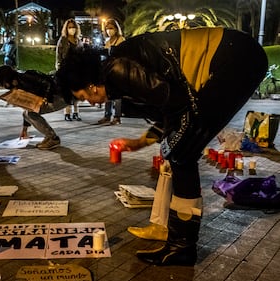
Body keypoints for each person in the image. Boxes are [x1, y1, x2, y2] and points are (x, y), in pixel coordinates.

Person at [56, 27, 268, 266]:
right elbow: (167, 111)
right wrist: (140, 143)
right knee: (179, 152)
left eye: (84, 96)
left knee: (181, 153)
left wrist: (168, 143)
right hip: (237, 56)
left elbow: (174, 102)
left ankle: (182, 247)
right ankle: (180, 244)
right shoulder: (120, 75)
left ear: (91, 84)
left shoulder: (118, 70)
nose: (90, 102)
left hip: (234, 57)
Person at [0, 65, 66, 150]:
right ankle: (50, 137)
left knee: (30, 114)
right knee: (27, 114)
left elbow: (48, 82)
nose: (6, 87)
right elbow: (28, 107)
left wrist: (46, 98)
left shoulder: (24, 76)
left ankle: (53, 139)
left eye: (4, 84)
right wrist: (24, 130)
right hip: (55, 96)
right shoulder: (19, 82)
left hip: (59, 97)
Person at [98, 19, 125, 125]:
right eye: (107, 28)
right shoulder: (108, 41)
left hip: (118, 70)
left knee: (117, 96)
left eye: (111, 28)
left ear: (116, 29)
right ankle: (107, 115)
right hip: (108, 70)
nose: (109, 31)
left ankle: (117, 117)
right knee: (108, 94)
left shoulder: (121, 39)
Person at [55, 18, 83, 121]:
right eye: (70, 27)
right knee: (67, 93)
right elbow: (58, 55)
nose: (72, 29)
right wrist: (59, 68)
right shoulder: (63, 40)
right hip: (66, 69)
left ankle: (76, 112)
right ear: (66, 28)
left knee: (77, 92)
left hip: (77, 70)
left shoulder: (78, 41)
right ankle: (67, 113)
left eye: (74, 27)